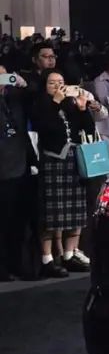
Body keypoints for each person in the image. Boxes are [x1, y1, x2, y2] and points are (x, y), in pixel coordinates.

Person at [29, 69, 102, 277]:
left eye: (60, 82)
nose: (57, 86)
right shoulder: (41, 105)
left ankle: (70, 255)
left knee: (75, 210)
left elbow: (88, 129)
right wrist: (55, 102)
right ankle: (47, 258)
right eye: (52, 83)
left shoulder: (70, 104)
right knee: (52, 213)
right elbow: (45, 128)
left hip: (74, 159)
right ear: (45, 86)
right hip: (53, 160)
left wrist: (82, 109)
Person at [0, 66, 36, 281]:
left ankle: (17, 263)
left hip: (21, 165)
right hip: (2, 169)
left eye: (3, 75)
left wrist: (22, 83)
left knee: (19, 222)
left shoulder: (15, 96)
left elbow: (35, 96)